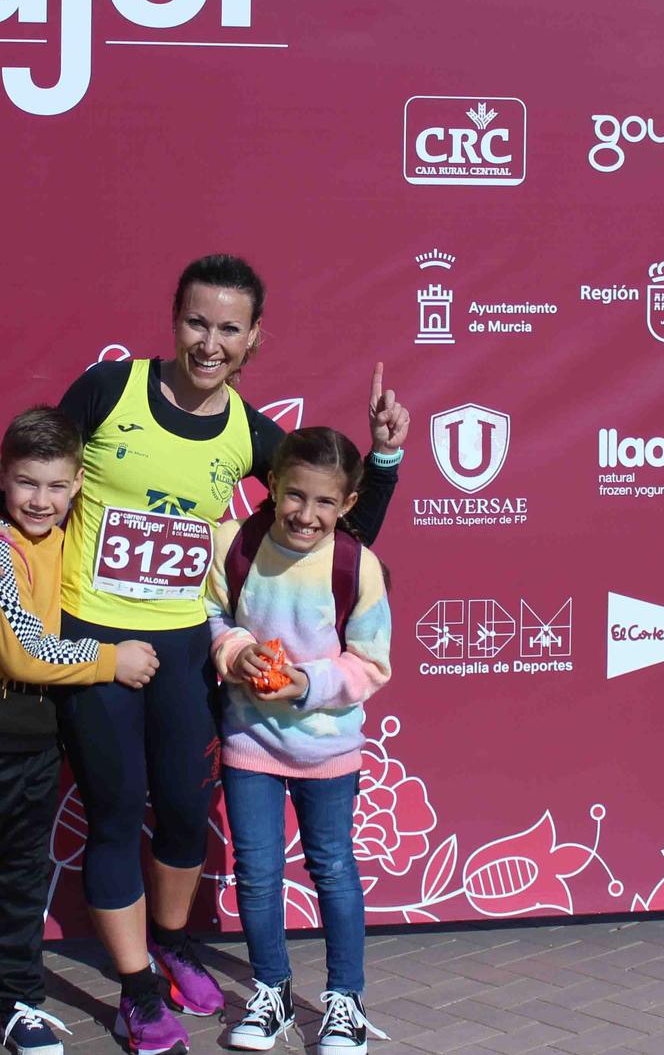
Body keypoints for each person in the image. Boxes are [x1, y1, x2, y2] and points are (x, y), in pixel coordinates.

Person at [0, 255, 409, 1055]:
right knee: (116, 809)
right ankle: (136, 991)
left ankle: (169, 941)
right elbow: (38, 465)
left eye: (229, 328)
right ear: (174, 318)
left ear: (253, 338)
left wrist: (386, 458)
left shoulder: (247, 430)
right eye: (198, 322)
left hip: (186, 641)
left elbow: (331, 517)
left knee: (186, 812)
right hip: (94, 633)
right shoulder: (110, 389)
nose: (211, 341)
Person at [0, 407, 162, 1055]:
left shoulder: (71, 533)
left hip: (32, 745)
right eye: (27, 483)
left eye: (57, 485)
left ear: (79, 482)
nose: (42, 499)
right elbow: (26, 651)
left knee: (25, 881)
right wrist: (116, 660)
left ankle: (22, 1004)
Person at [208, 427, 392, 1055]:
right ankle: (272, 991)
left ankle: (346, 1000)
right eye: (294, 496)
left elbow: (370, 664)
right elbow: (212, 614)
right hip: (248, 741)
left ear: (347, 504)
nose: (305, 515)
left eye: (324, 503)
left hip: (328, 750)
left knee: (334, 871)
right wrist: (234, 653)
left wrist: (305, 684)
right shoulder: (235, 543)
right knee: (257, 876)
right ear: (273, 485)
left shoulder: (356, 565)